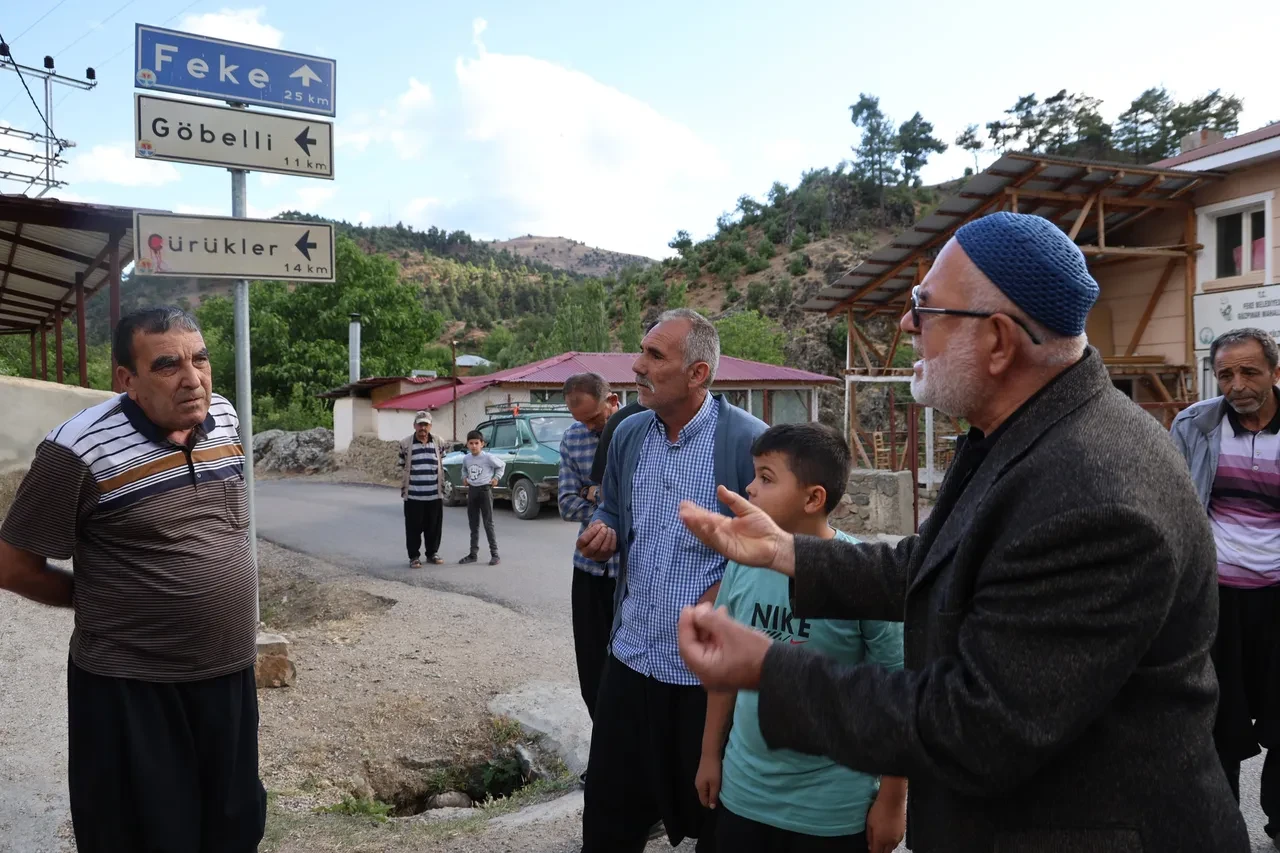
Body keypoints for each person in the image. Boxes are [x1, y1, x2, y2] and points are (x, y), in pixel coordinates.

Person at [673, 212, 1251, 852]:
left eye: (924, 306)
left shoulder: (1095, 496)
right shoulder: (1026, 433)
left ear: (999, 341)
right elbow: (938, 563)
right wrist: (788, 552)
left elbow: (979, 725)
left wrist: (770, 669)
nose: (905, 323)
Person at [0, 306, 266, 852]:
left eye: (201, 359)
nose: (193, 379)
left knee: (232, 826)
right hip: (131, 687)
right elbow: (11, 565)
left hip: (228, 675)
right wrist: (97, 600)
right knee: (145, 835)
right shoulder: (76, 448)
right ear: (126, 379)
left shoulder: (224, 416)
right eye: (168, 365)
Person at [576, 307, 767, 853]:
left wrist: (719, 594)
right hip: (631, 657)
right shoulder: (629, 433)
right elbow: (612, 509)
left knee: (715, 816)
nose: (637, 365)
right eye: (642, 351)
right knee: (609, 814)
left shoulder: (747, 444)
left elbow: (769, 546)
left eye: (655, 356)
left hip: (704, 677)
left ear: (698, 373)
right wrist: (604, 529)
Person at [697, 423, 907, 853]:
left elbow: (899, 697)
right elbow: (727, 672)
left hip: (832, 809)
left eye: (766, 478)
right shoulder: (744, 562)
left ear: (814, 498)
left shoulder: (861, 575)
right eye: (754, 474)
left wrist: (891, 801)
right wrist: (709, 754)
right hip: (745, 793)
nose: (750, 488)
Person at [1170, 327, 1280, 844]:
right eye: (1226, 374)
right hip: (1216, 599)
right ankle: (1221, 833)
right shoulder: (1193, 425)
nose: (1237, 385)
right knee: (1216, 727)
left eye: (1250, 371)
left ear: (1275, 373)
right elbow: (1172, 506)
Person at [557, 373, 622, 720]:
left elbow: (639, 503)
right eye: (582, 421)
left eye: (595, 419)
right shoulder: (572, 438)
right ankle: (600, 752)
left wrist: (594, 493)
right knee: (591, 666)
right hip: (588, 570)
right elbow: (566, 503)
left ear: (611, 400)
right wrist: (604, 501)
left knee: (630, 667)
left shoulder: (639, 430)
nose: (590, 428)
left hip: (631, 571)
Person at [398, 410, 445, 568]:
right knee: (413, 528)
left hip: (434, 494)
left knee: (434, 527)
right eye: (420, 424)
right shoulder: (405, 444)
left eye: (425, 424)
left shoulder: (439, 442)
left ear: (430, 426)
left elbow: (442, 464)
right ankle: (414, 557)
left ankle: (432, 553)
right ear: (414, 425)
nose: (422, 428)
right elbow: (402, 465)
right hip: (413, 496)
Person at [460, 428, 504, 565]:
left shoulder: (487, 457)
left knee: (488, 523)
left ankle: (495, 554)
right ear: (467, 444)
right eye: (471, 443)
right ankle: (473, 554)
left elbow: (501, 465)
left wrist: (496, 478)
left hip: (485, 491)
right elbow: (464, 469)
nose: (474, 446)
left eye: (476, 443)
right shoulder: (466, 458)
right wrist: (464, 477)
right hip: (472, 491)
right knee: (473, 524)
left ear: (482, 444)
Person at [590, 397, 646, 486]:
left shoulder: (620, 423)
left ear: (613, 400)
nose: (590, 427)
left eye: (594, 417)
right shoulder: (619, 423)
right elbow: (606, 487)